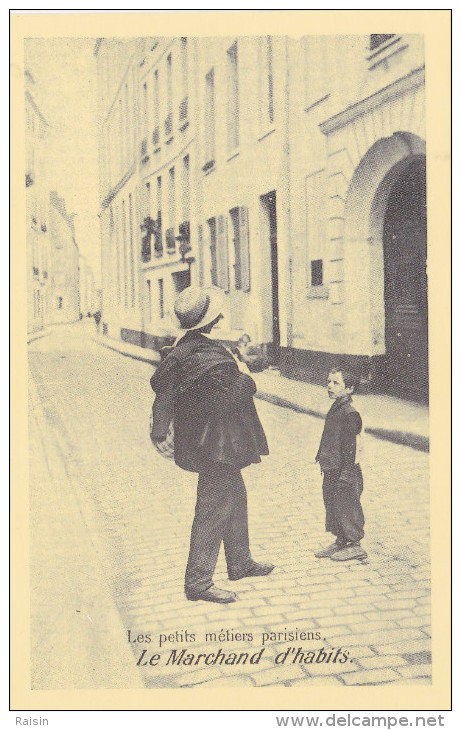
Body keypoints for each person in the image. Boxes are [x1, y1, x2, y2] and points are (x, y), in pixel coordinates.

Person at [150, 286, 274, 604]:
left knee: (235, 494)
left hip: (202, 440)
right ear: (211, 320)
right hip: (217, 443)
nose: (220, 316)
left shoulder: (184, 349)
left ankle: (240, 562)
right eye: (217, 314)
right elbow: (230, 395)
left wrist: (160, 430)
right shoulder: (209, 356)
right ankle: (198, 581)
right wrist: (247, 377)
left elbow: (162, 390)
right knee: (212, 505)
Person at [314, 367, 367, 561]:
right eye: (328, 381)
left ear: (350, 388)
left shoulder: (350, 413)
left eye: (336, 383)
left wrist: (347, 473)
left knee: (347, 505)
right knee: (333, 504)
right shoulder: (337, 406)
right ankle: (341, 541)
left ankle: (355, 544)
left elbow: (351, 448)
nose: (329, 386)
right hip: (332, 468)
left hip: (345, 470)